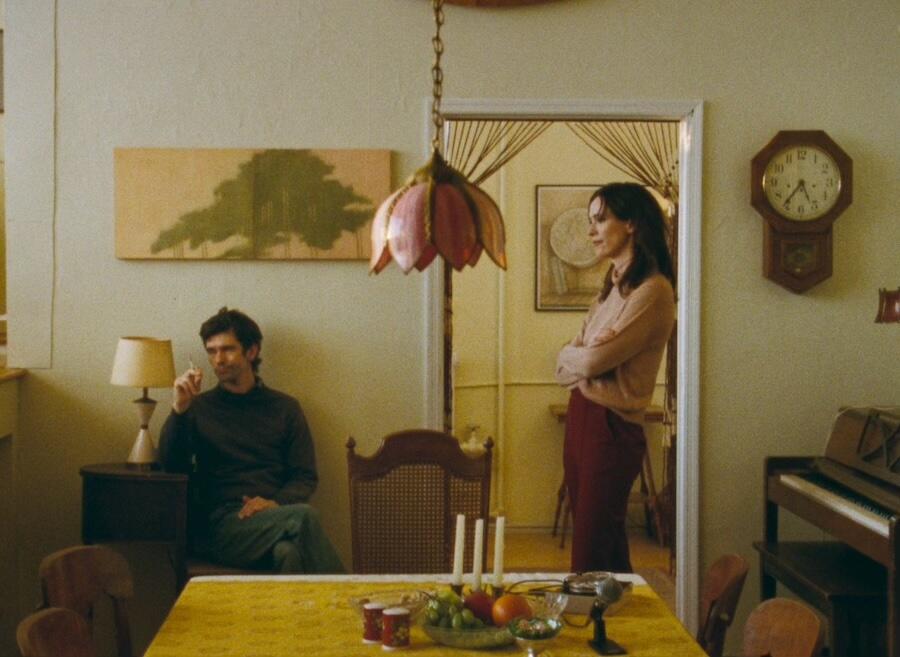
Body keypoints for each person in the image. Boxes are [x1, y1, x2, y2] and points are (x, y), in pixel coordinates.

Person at [159, 307, 344, 573]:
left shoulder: (285, 408)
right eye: (211, 351)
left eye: (228, 349)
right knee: (305, 516)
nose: (218, 359)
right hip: (220, 525)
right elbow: (171, 466)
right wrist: (179, 411)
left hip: (273, 516)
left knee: (288, 553)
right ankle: (354, 602)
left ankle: (295, 616)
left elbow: (304, 476)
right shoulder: (199, 408)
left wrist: (274, 504)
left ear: (252, 351)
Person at [555, 183, 675, 573]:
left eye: (600, 219)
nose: (591, 231)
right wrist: (584, 355)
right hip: (583, 416)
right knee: (603, 546)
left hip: (611, 426)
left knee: (591, 548)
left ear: (632, 224)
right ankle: (616, 625)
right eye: (590, 221)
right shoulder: (611, 290)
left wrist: (586, 358)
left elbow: (587, 366)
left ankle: (590, 628)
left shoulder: (652, 291)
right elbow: (563, 367)